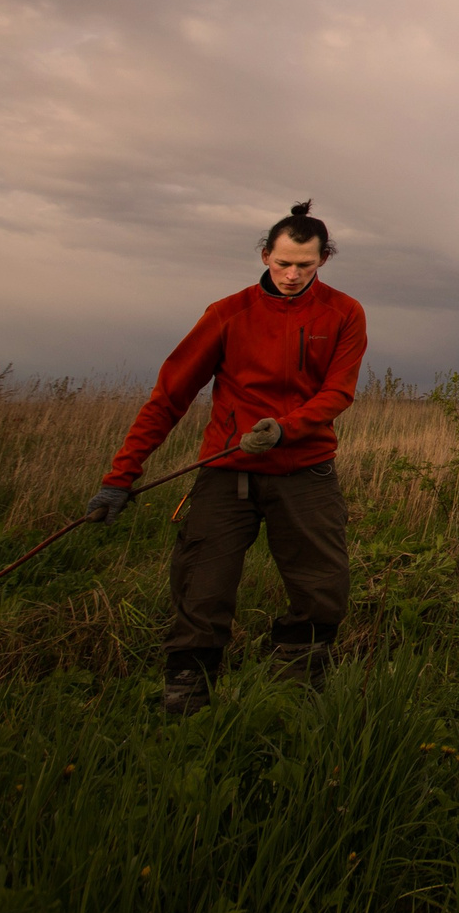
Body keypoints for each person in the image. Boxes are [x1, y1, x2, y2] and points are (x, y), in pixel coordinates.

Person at [85, 200, 367, 713]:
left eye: (304, 265)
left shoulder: (344, 313)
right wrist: (119, 476)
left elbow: (338, 393)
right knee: (201, 586)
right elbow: (168, 397)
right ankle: (187, 693)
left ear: (324, 259)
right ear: (264, 255)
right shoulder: (226, 313)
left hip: (305, 470)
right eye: (282, 262)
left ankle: (294, 692)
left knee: (323, 586)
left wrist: (285, 429)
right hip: (226, 470)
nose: (291, 275)